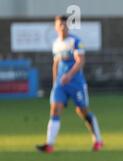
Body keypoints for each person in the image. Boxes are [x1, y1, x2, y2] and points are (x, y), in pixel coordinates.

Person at [36, 15, 103, 153]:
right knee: (54, 109)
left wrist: (69, 75)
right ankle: (49, 144)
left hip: (76, 83)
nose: (62, 27)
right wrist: (55, 83)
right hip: (61, 84)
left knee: (83, 111)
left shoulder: (75, 41)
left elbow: (80, 61)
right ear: (55, 27)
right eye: (60, 25)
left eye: (65, 25)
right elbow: (56, 63)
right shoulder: (56, 44)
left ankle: (98, 140)